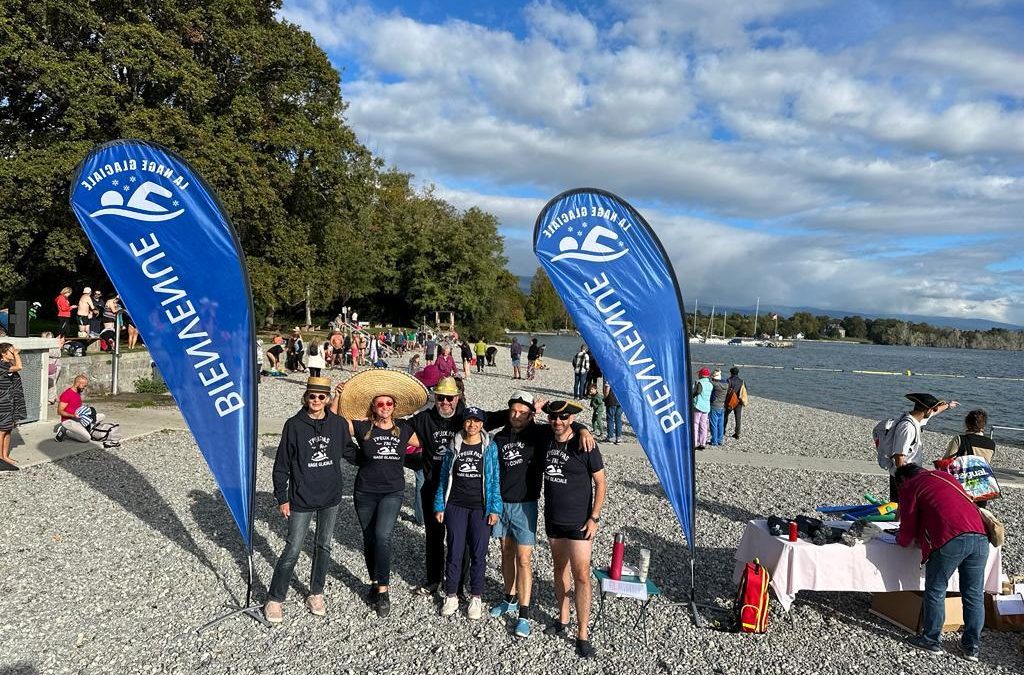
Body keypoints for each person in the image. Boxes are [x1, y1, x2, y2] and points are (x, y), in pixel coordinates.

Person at [484, 391, 595, 638]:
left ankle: (523, 613)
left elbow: (563, 422)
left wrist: (584, 429)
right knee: (506, 552)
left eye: (522, 412)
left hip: (526, 505)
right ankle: (509, 598)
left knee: (524, 559)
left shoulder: (539, 433)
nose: (516, 416)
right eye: (513, 411)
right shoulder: (500, 437)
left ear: (531, 415)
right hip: (502, 504)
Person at [332, 371, 425, 618]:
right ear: (374, 406)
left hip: (392, 492)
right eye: (380, 403)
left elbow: (424, 444)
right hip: (364, 492)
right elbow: (335, 424)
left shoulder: (404, 428)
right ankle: (374, 581)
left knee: (383, 536)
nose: (385, 407)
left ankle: (383, 590)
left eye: (389, 403)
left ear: (395, 407)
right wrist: (337, 396)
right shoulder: (363, 426)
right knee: (369, 538)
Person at [264, 377, 351, 623]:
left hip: (330, 496)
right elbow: (281, 464)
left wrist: (374, 452)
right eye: (312, 396)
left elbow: (349, 451)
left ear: (327, 399)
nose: (316, 401)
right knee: (292, 547)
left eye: (321, 397)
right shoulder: (293, 425)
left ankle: (316, 592)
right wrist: (282, 496)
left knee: (323, 546)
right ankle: (275, 598)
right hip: (301, 496)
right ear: (306, 397)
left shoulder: (337, 424)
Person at [895, 463, 988, 661]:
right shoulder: (947, 478)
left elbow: (908, 527)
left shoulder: (910, 486)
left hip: (950, 538)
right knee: (973, 593)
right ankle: (972, 645)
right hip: (980, 537)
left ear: (902, 480)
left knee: (936, 589)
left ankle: (931, 639)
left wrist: (900, 539)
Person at [539, 400, 606, 659]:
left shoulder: (585, 444)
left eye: (564, 417)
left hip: (580, 522)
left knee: (581, 575)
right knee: (559, 570)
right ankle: (563, 618)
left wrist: (595, 518)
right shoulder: (546, 437)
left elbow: (600, 483)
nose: (558, 421)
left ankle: (583, 634)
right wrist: (581, 425)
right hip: (553, 519)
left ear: (571, 419)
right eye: (553, 417)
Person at [434, 407, 502, 620]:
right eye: (468, 421)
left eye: (476, 421)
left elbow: (494, 479)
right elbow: (444, 477)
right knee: (454, 550)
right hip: (455, 505)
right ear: (463, 423)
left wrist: (494, 508)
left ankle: (476, 596)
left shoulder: (489, 447)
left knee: (478, 553)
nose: (472, 425)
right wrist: (439, 505)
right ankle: (452, 594)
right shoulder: (453, 445)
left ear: (482, 424)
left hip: (480, 507)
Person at [407, 377, 466, 596]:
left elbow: (499, 418)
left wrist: (578, 427)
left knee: (460, 536)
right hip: (432, 485)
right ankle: (433, 580)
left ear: (457, 398)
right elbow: (395, 427)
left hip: (460, 488)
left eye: (450, 398)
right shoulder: (424, 418)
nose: (445, 402)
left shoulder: (465, 417)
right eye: (441, 398)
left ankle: (459, 583)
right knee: (433, 535)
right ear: (435, 398)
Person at [886, 393, 960, 502]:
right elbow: (899, 457)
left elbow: (934, 412)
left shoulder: (917, 418)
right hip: (904, 477)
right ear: (927, 409)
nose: (933, 410)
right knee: (902, 510)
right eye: (932, 408)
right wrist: (904, 481)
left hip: (911, 475)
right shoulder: (907, 427)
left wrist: (948, 405)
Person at [55, 374, 106, 443]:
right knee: (86, 438)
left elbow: (75, 406)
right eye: (84, 386)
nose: (84, 388)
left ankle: (83, 428)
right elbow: (60, 411)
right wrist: (73, 416)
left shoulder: (78, 392)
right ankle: (66, 431)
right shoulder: (66, 394)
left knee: (102, 416)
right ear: (78, 383)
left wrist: (86, 410)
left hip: (79, 418)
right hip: (69, 421)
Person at [0, 343, 26, 466]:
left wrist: (14, 354)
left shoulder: (8, 364)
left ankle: (5, 456)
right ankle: (0, 457)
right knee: (1, 430)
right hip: (3, 402)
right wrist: (16, 354)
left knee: (8, 429)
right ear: (3, 353)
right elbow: (20, 367)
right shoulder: (1, 365)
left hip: (10, 401)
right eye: (11, 351)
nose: (14, 353)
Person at [724, 366, 747, 439]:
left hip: (730, 401)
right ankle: (737, 433)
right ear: (738, 373)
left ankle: (723, 430)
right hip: (739, 402)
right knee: (738, 418)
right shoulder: (742, 381)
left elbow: (726, 391)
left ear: (731, 373)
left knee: (725, 416)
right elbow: (744, 391)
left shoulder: (728, 380)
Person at [692, 367, 711, 450]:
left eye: (699, 373)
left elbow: (695, 392)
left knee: (695, 424)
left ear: (701, 375)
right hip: (706, 406)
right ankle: (703, 443)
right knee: (703, 425)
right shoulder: (710, 384)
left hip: (698, 406)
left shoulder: (698, 383)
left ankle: (694, 442)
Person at [708, 369, 728, 446]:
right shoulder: (726, 384)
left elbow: (710, 381)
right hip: (722, 406)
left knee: (713, 424)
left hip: (714, 405)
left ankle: (714, 441)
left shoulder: (714, 385)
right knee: (720, 424)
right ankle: (720, 440)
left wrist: (711, 376)